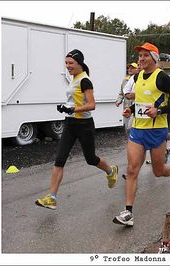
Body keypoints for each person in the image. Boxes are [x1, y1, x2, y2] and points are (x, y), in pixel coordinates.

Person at [35, 49, 118, 210]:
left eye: (71, 63)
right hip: (70, 124)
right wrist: (65, 107)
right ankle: (51, 198)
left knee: (91, 159)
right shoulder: (73, 79)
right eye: (66, 63)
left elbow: (92, 105)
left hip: (84, 125)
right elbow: (74, 101)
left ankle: (110, 171)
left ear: (79, 63)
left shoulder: (85, 80)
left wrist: (73, 109)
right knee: (59, 159)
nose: (67, 66)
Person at [113, 42, 170, 226]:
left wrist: (159, 111)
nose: (141, 59)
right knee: (131, 170)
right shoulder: (137, 78)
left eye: (145, 56)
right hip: (138, 129)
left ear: (154, 58)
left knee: (158, 171)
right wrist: (132, 111)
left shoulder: (162, 78)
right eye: (139, 56)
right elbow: (142, 101)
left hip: (157, 130)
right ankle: (128, 213)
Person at [118, 62, 140, 132]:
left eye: (132, 68)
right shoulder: (125, 80)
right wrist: (119, 100)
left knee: (132, 128)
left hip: (136, 107)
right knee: (127, 128)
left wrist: (134, 95)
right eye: (129, 68)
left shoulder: (140, 78)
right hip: (126, 107)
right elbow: (121, 93)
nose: (130, 69)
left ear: (137, 69)